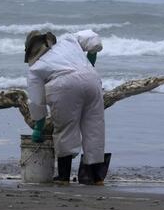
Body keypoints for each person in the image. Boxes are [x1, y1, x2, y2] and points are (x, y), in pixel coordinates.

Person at [25, 29, 109, 185]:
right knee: (94, 128)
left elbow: (36, 101)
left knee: (65, 130)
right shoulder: (69, 41)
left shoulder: (35, 68)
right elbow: (93, 40)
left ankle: (64, 177)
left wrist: (39, 126)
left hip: (64, 86)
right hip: (92, 80)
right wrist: (90, 61)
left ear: (31, 51)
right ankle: (96, 177)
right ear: (48, 41)